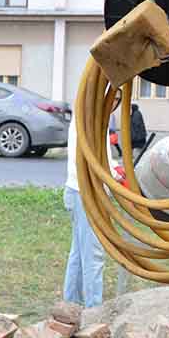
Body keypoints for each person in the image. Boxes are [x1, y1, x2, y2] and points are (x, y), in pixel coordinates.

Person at [62, 116, 106, 308]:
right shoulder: (89, 116)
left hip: (79, 190)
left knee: (79, 254)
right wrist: (113, 175)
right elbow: (91, 159)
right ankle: (94, 311)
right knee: (93, 256)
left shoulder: (87, 113)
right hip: (84, 192)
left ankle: (71, 306)